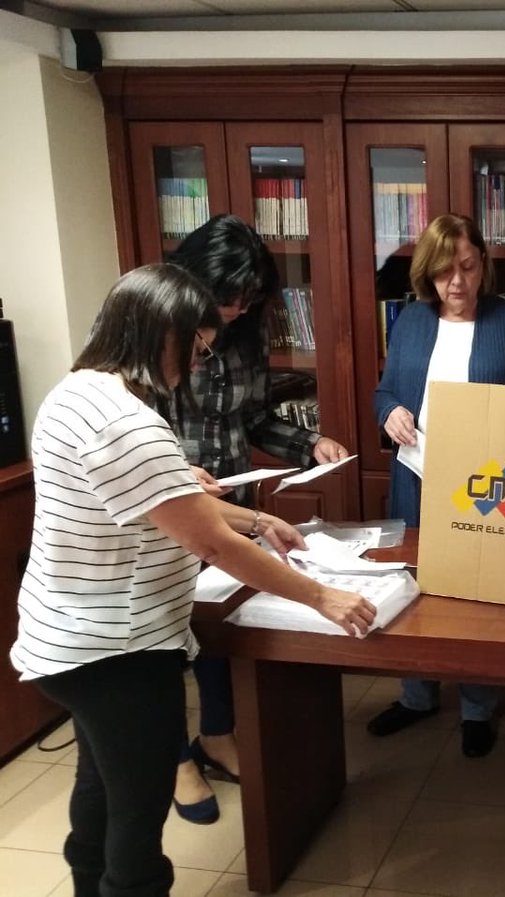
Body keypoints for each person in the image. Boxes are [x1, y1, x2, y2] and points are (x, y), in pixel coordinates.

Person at [9, 264, 376, 897]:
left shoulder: (75, 393)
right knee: (137, 813)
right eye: (197, 346)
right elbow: (208, 542)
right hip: (118, 650)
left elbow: (170, 504)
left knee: (101, 786)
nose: (198, 363)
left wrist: (257, 518)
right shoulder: (127, 424)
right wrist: (323, 596)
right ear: (162, 334)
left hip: (62, 636)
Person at [165, 213, 351, 824]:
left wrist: (310, 444)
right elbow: (133, 429)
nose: (239, 310)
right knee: (167, 635)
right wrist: (177, 470)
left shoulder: (245, 333)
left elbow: (252, 420)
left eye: (249, 299)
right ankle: (176, 759)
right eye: (229, 299)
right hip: (166, 507)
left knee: (223, 621)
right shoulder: (156, 330)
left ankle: (218, 734)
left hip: (233, 505)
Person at [368, 213, 505, 757]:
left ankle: (477, 707)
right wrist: (390, 412)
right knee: (412, 586)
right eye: (445, 272)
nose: (458, 283)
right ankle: (417, 695)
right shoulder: (411, 321)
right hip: (416, 475)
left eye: (468, 267)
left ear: (483, 264)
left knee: (475, 595)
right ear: (428, 274)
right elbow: (383, 392)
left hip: (486, 482)